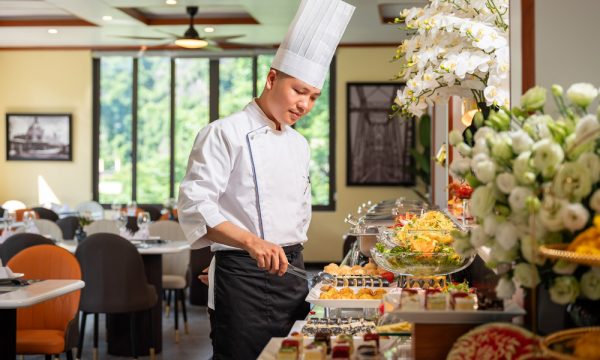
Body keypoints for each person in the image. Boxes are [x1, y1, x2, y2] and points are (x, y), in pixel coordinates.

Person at [178, 0, 354, 358]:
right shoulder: (222, 133)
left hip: (292, 272)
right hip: (242, 276)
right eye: (298, 91)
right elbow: (196, 205)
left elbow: (294, 216)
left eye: (314, 97)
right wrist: (247, 247)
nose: (305, 104)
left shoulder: (300, 144)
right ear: (272, 78)